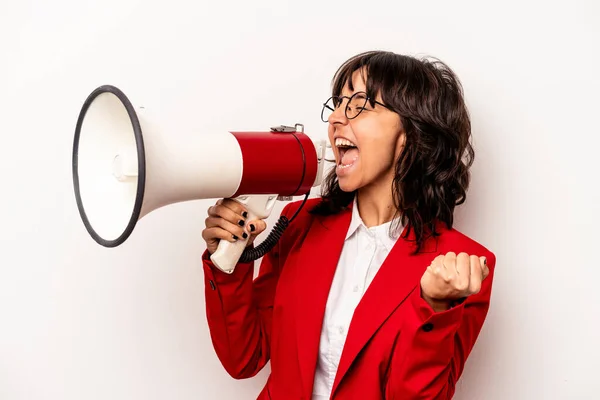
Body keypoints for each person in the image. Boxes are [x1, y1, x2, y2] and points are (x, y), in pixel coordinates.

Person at [200, 50, 496, 399]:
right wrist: (231, 262)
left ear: (412, 132)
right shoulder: (299, 222)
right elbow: (244, 359)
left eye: (360, 103)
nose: (337, 118)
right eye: (338, 103)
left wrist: (434, 307)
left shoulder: (465, 267)